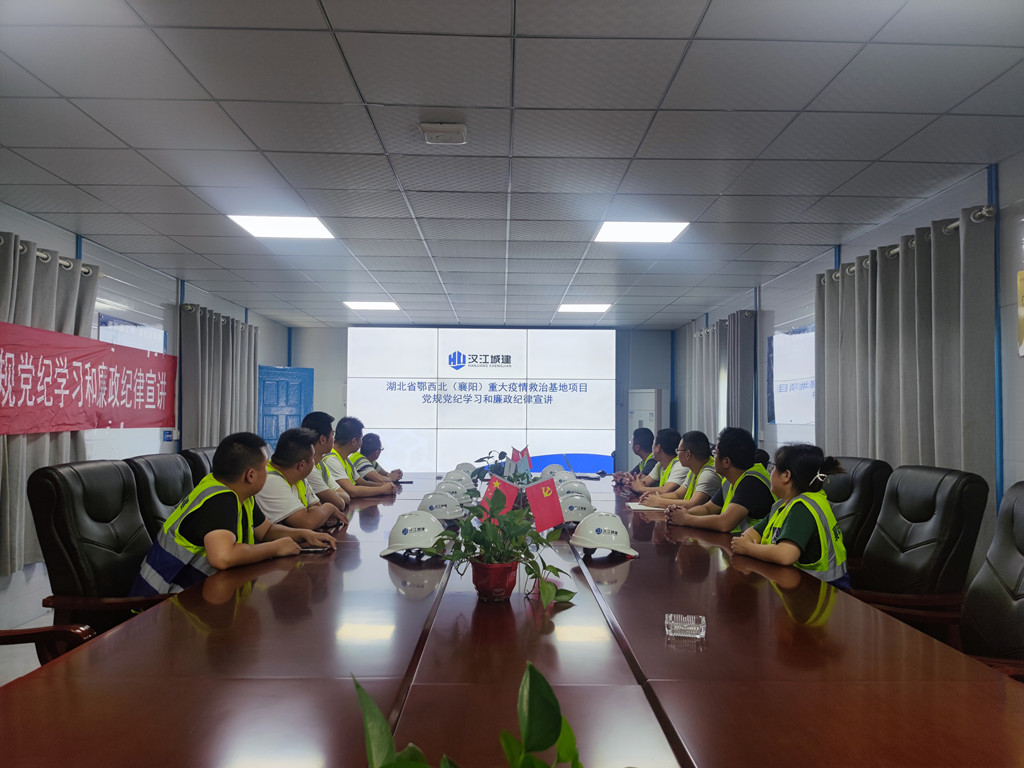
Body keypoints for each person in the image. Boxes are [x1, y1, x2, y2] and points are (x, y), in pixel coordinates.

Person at [131, 432, 337, 595]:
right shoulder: (220, 499)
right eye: (265, 467)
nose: (268, 472)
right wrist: (275, 548)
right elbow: (222, 557)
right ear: (250, 475)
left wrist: (303, 534)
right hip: (161, 603)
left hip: (200, 592)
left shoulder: (240, 494)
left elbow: (266, 530)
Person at [731, 444, 849, 588]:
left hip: (823, 590)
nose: (770, 472)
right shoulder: (783, 505)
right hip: (799, 584)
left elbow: (786, 555)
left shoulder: (803, 508)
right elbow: (752, 533)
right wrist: (749, 542)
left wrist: (748, 549)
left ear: (786, 475)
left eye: (773, 467)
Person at [667, 426, 774, 533]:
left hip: (756, 542)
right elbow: (708, 509)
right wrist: (680, 513)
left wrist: (686, 519)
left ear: (726, 461)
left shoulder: (751, 483)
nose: (713, 457)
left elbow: (724, 523)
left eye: (715, 453)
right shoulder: (731, 480)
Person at [638, 430, 722, 511]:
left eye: (678, 451)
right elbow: (677, 494)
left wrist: (658, 501)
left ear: (688, 454)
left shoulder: (708, 474)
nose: (677, 455)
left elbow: (693, 504)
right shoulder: (694, 469)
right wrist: (653, 497)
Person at [324, 416, 398, 497]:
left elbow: (362, 482)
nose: (362, 442)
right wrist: (382, 490)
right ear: (354, 441)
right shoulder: (332, 460)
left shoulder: (345, 458)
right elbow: (352, 491)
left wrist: (384, 486)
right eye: (361, 438)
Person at [300, 411, 352, 519]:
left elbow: (346, 497)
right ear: (322, 439)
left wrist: (327, 496)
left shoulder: (321, 465)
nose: (334, 439)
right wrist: (330, 496)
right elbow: (340, 503)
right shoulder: (309, 469)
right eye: (332, 434)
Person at [630, 428, 685, 495]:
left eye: (653, 444)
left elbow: (665, 490)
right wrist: (634, 483)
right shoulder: (659, 464)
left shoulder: (680, 465)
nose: (652, 448)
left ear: (658, 448)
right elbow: (645, 483)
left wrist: (640, 489)